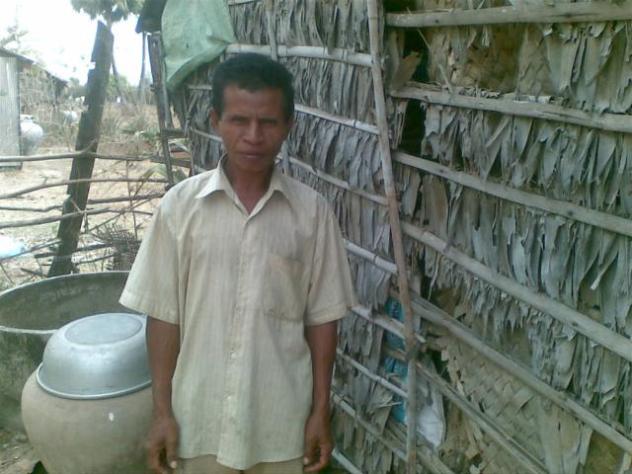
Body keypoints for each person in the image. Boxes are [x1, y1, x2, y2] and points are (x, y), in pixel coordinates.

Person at [120, 53, 356, 474]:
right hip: (197, 424)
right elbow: (163, 316)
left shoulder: (312, 214)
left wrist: (320, 411)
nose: (253, 136)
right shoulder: (179, 208)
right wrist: (162, 412)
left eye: (268, 122)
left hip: (280, 427)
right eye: (238, 120)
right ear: (216, 121)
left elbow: (323, 320)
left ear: (288, 126)